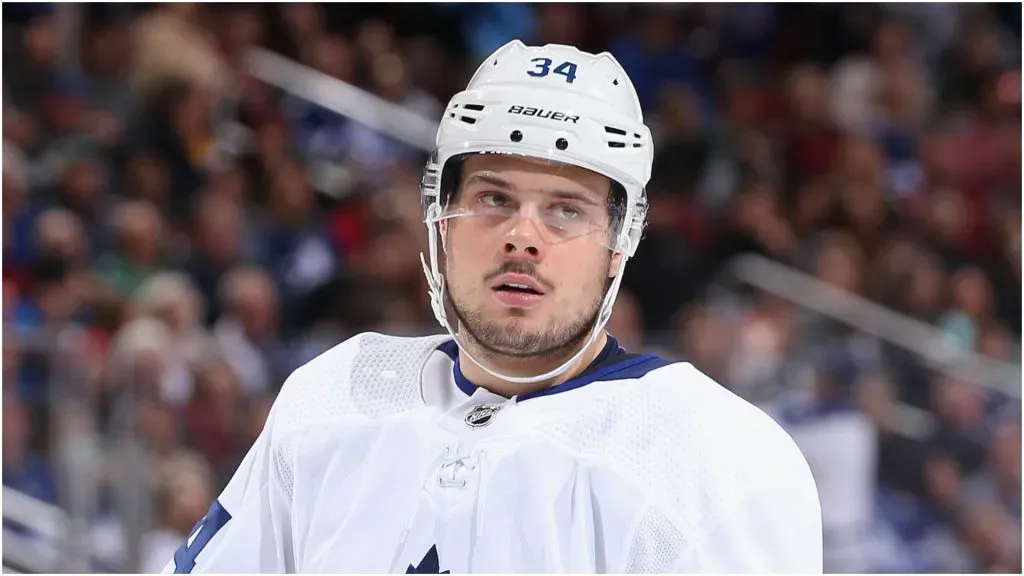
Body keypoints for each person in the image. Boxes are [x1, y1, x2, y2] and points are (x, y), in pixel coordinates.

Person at [164, 40, 822, 574]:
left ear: (620, 242)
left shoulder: (714, 458)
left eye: (566, 209)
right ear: (440, 220)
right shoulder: (334, 397)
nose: (522, 236)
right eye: (494, 198)